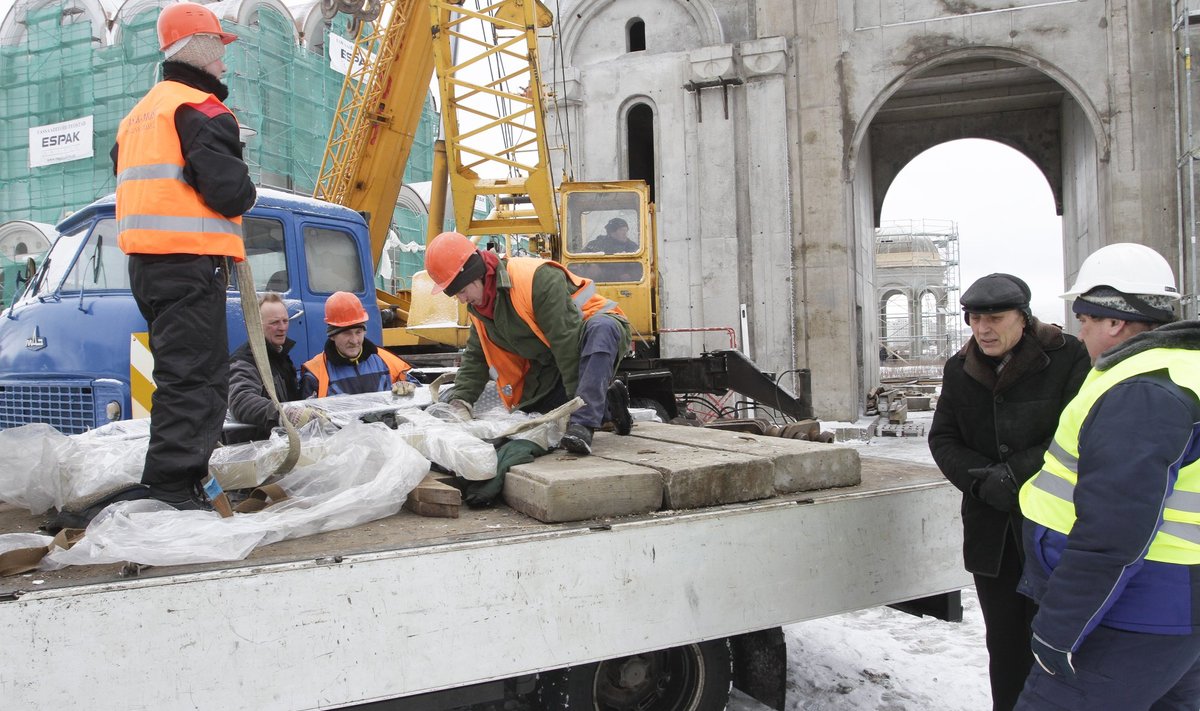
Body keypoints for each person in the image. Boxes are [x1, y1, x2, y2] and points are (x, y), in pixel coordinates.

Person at [1014, 243, 1200, 710]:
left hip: (1134, 615)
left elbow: (1114, 532)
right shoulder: (1179, 370)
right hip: (1168, 610)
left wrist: (1061, 629)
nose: (1080, 333)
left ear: (1115, 321)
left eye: (1085, 320)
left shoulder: (1142, 390)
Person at [113, 2, 255, 509]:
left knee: (181, 375)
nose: (224, 61)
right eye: (219, 48)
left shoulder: (139, 115)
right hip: (189, 263)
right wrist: (248, 188)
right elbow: (229, 192)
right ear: (199, 48)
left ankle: (180, 478)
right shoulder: (201, 109)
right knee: (195, 378)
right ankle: (173, 488)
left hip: (149, 267)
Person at [929, 273, 1090, 711]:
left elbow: (1076, 434)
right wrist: (983, 482)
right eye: (974, 318)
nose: (983, 328)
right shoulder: (959, 368)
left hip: (1053, 533)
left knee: (1057, 646)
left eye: (994, 317)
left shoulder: (1068, 356)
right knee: (1003, 646)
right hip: (991, 533)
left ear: (1023, 317)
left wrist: (1015, 476)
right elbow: (942, 440)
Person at [424, 231, 633, 455]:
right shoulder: (481, 307)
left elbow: (567, 343)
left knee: (601, 330)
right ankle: (607, 401)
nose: (462, 300)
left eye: (462, 291)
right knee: (536, 418)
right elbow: (477, 356)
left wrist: (576, 416)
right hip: (551, 362)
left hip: (593, 334)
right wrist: (461, 401)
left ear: (476, 275)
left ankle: (586, 423)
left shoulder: (536, 279)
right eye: (456, 295)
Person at [300, 291, 417, 398]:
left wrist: (408, 389)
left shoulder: (389, 362)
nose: (354, 340)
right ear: (332, 335)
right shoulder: (316, 375)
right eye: (347, 333)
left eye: (358, 332)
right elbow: (310, 417)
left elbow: (418, 391)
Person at [227, 292, 303, 438]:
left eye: (285, 321)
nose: (282, 328)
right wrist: (282, 414)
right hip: (256, 447)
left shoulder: (281, 357)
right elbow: (241, 399)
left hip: (280, 441)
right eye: (274, 323)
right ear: (255, 325)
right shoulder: (244, 362)